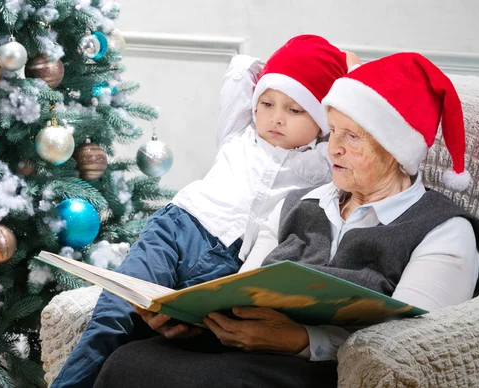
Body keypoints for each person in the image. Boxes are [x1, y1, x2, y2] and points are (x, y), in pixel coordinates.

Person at [91, 52, 479, 388]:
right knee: (129, 359)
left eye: (352, 137)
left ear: (397, 152)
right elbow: (242, 289)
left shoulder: (444, 231)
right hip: (244, 353)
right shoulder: (296, 204)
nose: (332, 150)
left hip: (325, 369)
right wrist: (197, 321)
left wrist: (302, 341)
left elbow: (419, 346)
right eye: (333, 133)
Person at [52, 35, 361, 387]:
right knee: (116, 313)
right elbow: (241, 70)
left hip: (232, 264)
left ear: (322, 122)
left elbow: (360, 126)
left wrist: (347, 72)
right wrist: (281, 68)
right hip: (177, 230)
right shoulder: (238, 134)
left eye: (295, 110)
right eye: (267, 103)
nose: (276, 118)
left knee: (178, 333)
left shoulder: (324, 165)